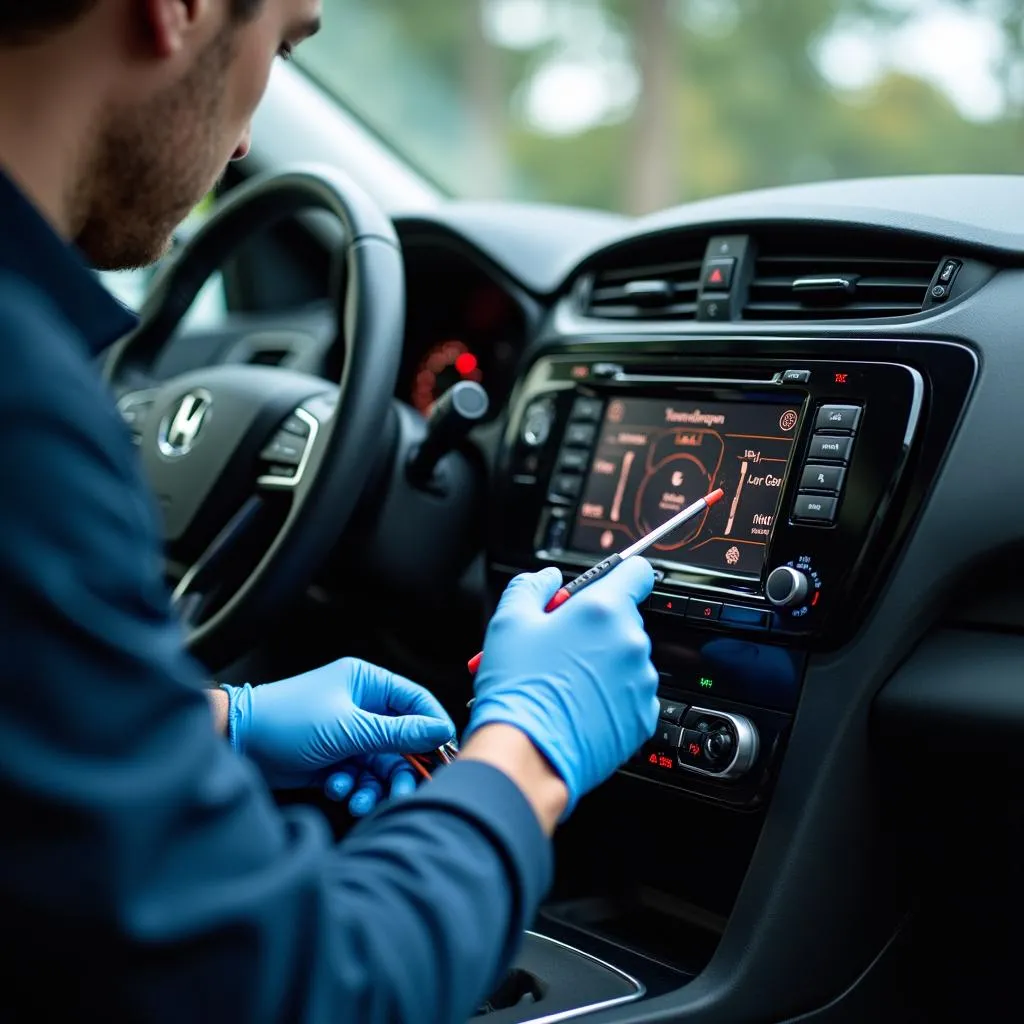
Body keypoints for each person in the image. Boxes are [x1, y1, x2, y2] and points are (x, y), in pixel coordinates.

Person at [0, 1, 660, 1020]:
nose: (252, 135)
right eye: (286, 42)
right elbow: (286, 989)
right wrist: (528, 752)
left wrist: (214, 722)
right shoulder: (24, 409)